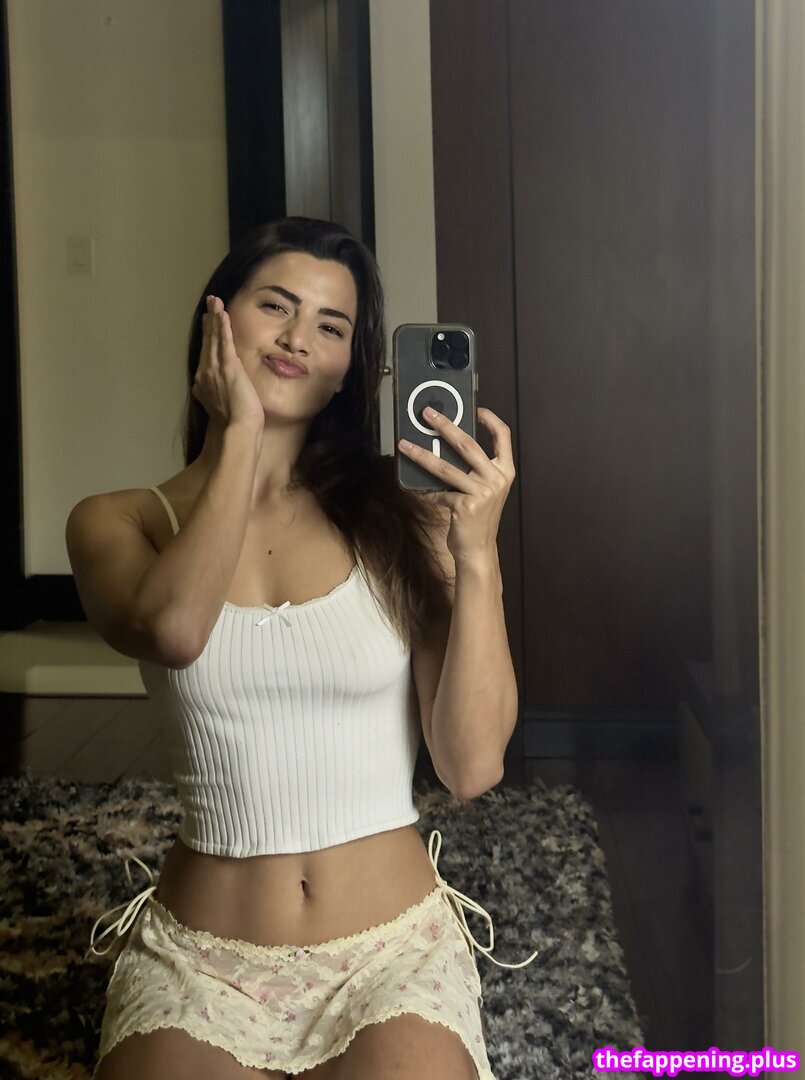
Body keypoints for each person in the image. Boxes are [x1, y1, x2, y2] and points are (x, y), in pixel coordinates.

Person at [66, 216, 538, 1080]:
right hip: (200, 962)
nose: (296, 339)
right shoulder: (119, 521)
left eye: (330, 326)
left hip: (389, 957)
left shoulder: (402, 518)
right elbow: (176, 630)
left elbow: (470, 765)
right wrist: (239, 435)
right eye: (275, 307)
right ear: (215, 320)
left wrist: (475, 553)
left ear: (348, 368)